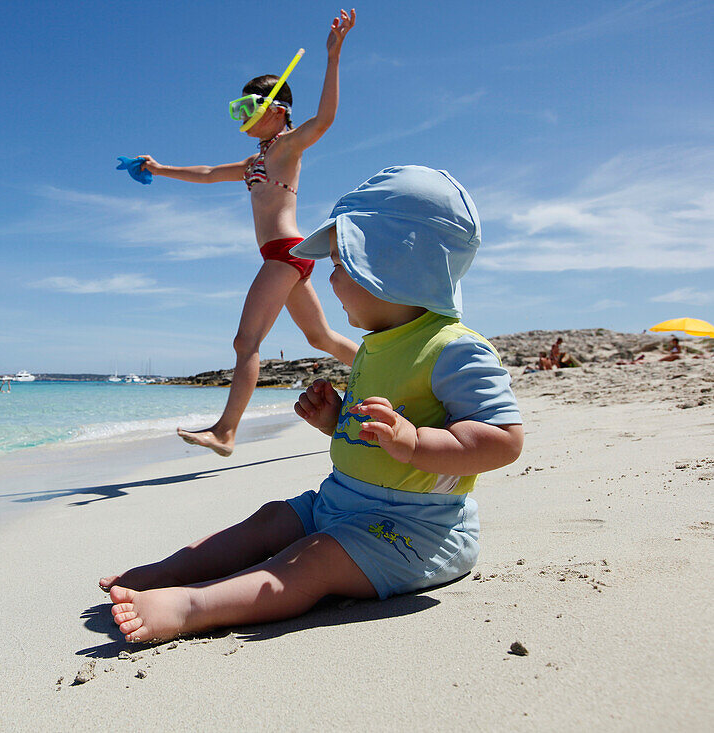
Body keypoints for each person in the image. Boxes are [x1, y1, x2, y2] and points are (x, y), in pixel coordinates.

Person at [102, 166, 524, 643]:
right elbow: (374, 431)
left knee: (316, 558)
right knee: (270, 519)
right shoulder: (376, 344)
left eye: (344, 264)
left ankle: (190, 606)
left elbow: (504, 441)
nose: (331, 276)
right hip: (340, 500)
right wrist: (335, 420)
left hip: (415, 531)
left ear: (391, 265)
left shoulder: (454, 347)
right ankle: (168, 571)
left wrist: (414, 441)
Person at [133, 9, 359, 457]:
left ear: (277, 111)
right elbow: (208, 172)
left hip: (285, 253)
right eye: (236, 110)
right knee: (321, 339)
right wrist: (160, 169)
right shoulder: (255, 160)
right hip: (286, 257)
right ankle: (397, 365)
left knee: (245, 342)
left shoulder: (288, 147)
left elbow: (325, 119)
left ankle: (226, 431)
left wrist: (333, 56)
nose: (242, 117)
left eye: (247, 108)